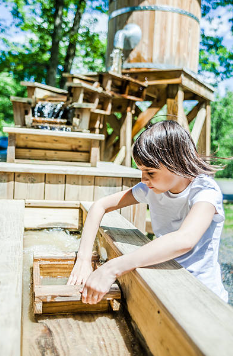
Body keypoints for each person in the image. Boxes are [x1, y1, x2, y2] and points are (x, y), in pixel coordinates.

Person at [67, 120, 228, 304]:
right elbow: (100, 206)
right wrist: (83, 259)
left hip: (203, 295)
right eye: (141, 171)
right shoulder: (149, 188)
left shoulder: (205, 192)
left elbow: (184, 240)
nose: (143, 179)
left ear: (176, 162)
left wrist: (111, 268)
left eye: (150, 172)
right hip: (164, 284)